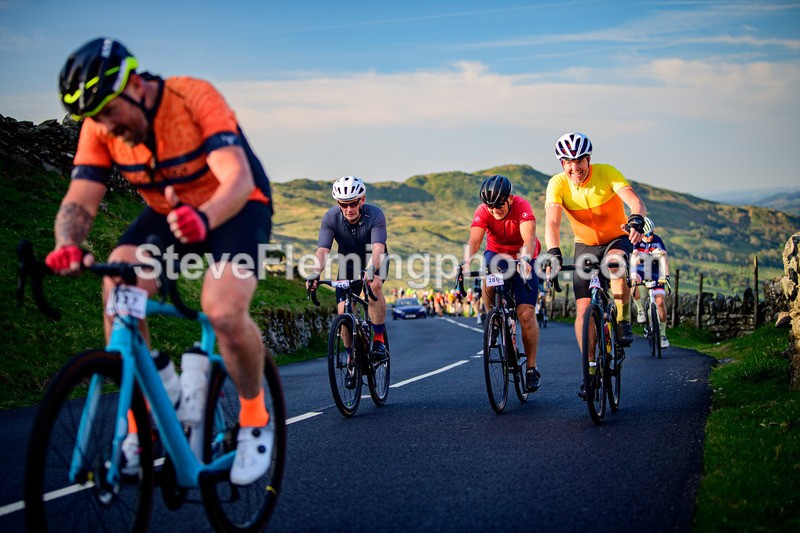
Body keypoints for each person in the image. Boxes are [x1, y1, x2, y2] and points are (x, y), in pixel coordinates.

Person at [46, 37, 274, 485]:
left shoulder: (192, 96)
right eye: (95, 118)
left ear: (133, 83)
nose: (105, 127)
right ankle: (147, 416)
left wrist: (204, 218)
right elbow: (81, 199)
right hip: (169, 213)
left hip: (236, 204)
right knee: (118, 286)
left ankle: (254, 417)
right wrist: (67, 242)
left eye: (110, 111)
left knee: (223, 311)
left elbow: (236, 174)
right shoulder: (99, 127)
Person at [543, 132, 646, 397]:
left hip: (617, 238)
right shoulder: (557, 184)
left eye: (579, 161)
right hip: (585, 246)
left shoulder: (607, 172)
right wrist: (553, 252)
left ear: (589, 159)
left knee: (614, 265)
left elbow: (635, 201)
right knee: (582, 308)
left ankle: (622, 320)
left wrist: (635, 219)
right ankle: (590, 370)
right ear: (562, 164)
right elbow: (552, 223)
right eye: (568, 162)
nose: (574, 167)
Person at [306, 176, 389, 383]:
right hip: (348, 264)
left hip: (374, 260)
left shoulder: (375, 215)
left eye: (353, 203)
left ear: (362, 200)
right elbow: (323, 250)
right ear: (338, 204)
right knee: (343, 310)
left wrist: (370, 270)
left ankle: (378, 341)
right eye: (344, 204)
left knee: (375, 286)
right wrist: (316, 273)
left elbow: (378, 248)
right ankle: (352, 357)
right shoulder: (331, 218)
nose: (349, 209)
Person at [463, 174, 542, 392]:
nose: (495, 210)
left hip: (523, 257)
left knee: (526, 314)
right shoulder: (483, 211)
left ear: (508, 198)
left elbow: (529, 240)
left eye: (499, 205)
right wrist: (465, 262)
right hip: (497, 257)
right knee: (490, 278)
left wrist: (525, 260)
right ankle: (494, 320)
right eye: (490, 206)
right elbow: (474, 241)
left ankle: (531, 368)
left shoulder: (522, 206)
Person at [631, 217, 671, 348]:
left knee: (660, 302)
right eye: (648, 234)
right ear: (641, 234)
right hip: (641, 271)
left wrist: (666, 276)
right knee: (632, 281)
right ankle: (641, 310)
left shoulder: (657, 240)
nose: (651, 236)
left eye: (652, 233)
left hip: (655, 273)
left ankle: (663, 334)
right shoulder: (636, 241)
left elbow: (664, 257)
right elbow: (635, 259)